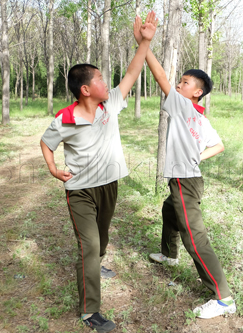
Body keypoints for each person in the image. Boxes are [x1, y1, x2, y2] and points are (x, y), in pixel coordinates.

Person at [39, 12, 157, 332]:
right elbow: (46, 143)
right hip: (80, 191)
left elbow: (133, 71)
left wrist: (144, 41)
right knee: (89, 245)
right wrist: (53, 169)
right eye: (101, 80)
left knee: (101, 240)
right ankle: (90, 312)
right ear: (86, 90)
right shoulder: (66, 118)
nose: (108, 83)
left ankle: (96, 265)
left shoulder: (111, 105)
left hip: (109, 185)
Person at [133, 17, 236, 319]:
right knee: (169, 211)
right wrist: (198, 156)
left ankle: (223, 298)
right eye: (180, 82)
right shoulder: (198, 117)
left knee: (196, 237)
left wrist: (145, 44)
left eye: (185, 83)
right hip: (188, 178)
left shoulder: (184, 106)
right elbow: (219, 145)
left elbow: (160, 76)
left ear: (197, 92)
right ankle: (168, 254)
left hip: (185, 181)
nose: (178, 85)